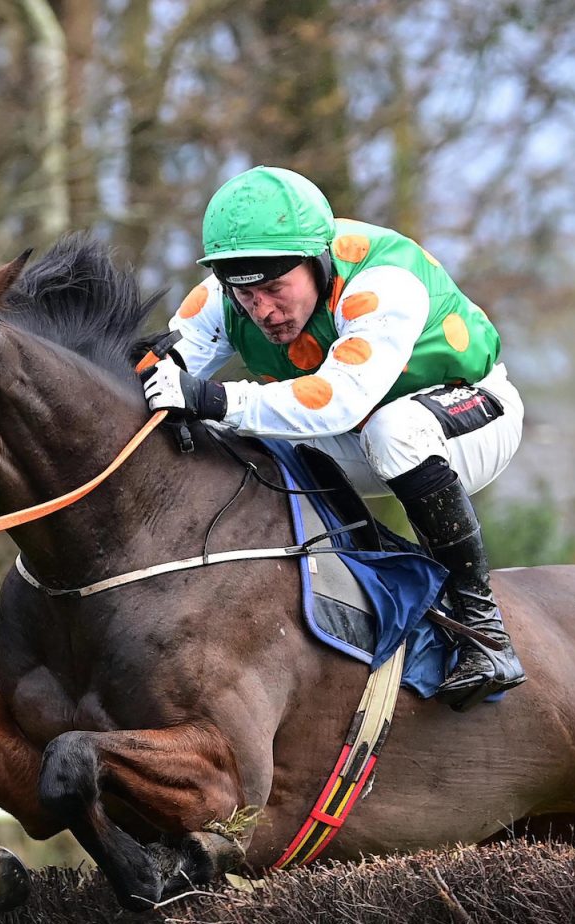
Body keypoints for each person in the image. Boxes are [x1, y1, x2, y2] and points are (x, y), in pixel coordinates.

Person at [139, 164, 526, 710]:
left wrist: (217, 399)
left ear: (319, 261)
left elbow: (342, 399)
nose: (262, 310)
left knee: (394, 429)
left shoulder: (382, 282)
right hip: (358, 435)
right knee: (239, 444)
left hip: (473, 413)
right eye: (246, 295)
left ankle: (485, 629)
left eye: (276, 288)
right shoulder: (225, 296)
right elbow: (156, 380)